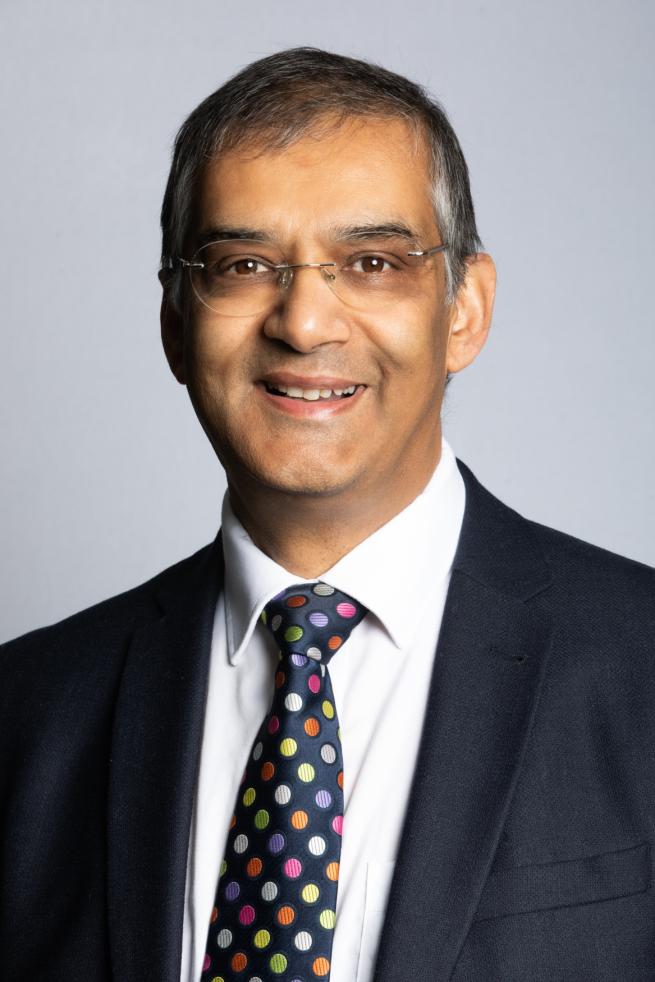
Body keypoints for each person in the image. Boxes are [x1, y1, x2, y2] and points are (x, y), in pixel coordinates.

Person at [1, 46, 653, 982]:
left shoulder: (640, 670)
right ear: (177, 324)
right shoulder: (28, 714)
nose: (303, 322)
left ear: (464, 309)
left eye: (373, 261)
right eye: (244, 264)